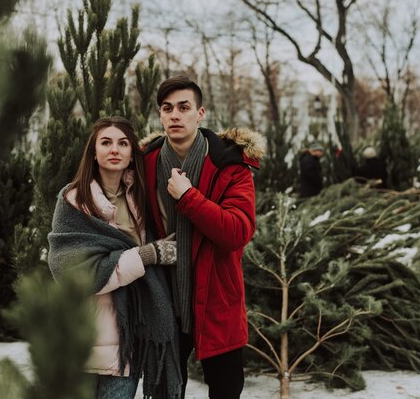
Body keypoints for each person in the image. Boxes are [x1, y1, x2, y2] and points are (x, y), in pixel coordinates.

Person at [142, 76, 263, 399]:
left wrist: (189, 197)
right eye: (167, 109)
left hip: (216, 301)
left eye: (184, 107)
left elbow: (237, 232)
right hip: (165, 301)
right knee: (163, 393)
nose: (175, 115)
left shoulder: (230, 164)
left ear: (201, 113)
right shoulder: (146, 162)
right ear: (160, 115)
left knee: (225, 391)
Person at [47, 116, 182, 399]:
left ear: (132, 153)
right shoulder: (72, 200)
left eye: (123, 143)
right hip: (84, 336)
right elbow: (72, 272)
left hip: (127, 338)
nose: (114, 149)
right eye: (105, 142)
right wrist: (146, 255)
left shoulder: (142, 198)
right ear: (93, 152)